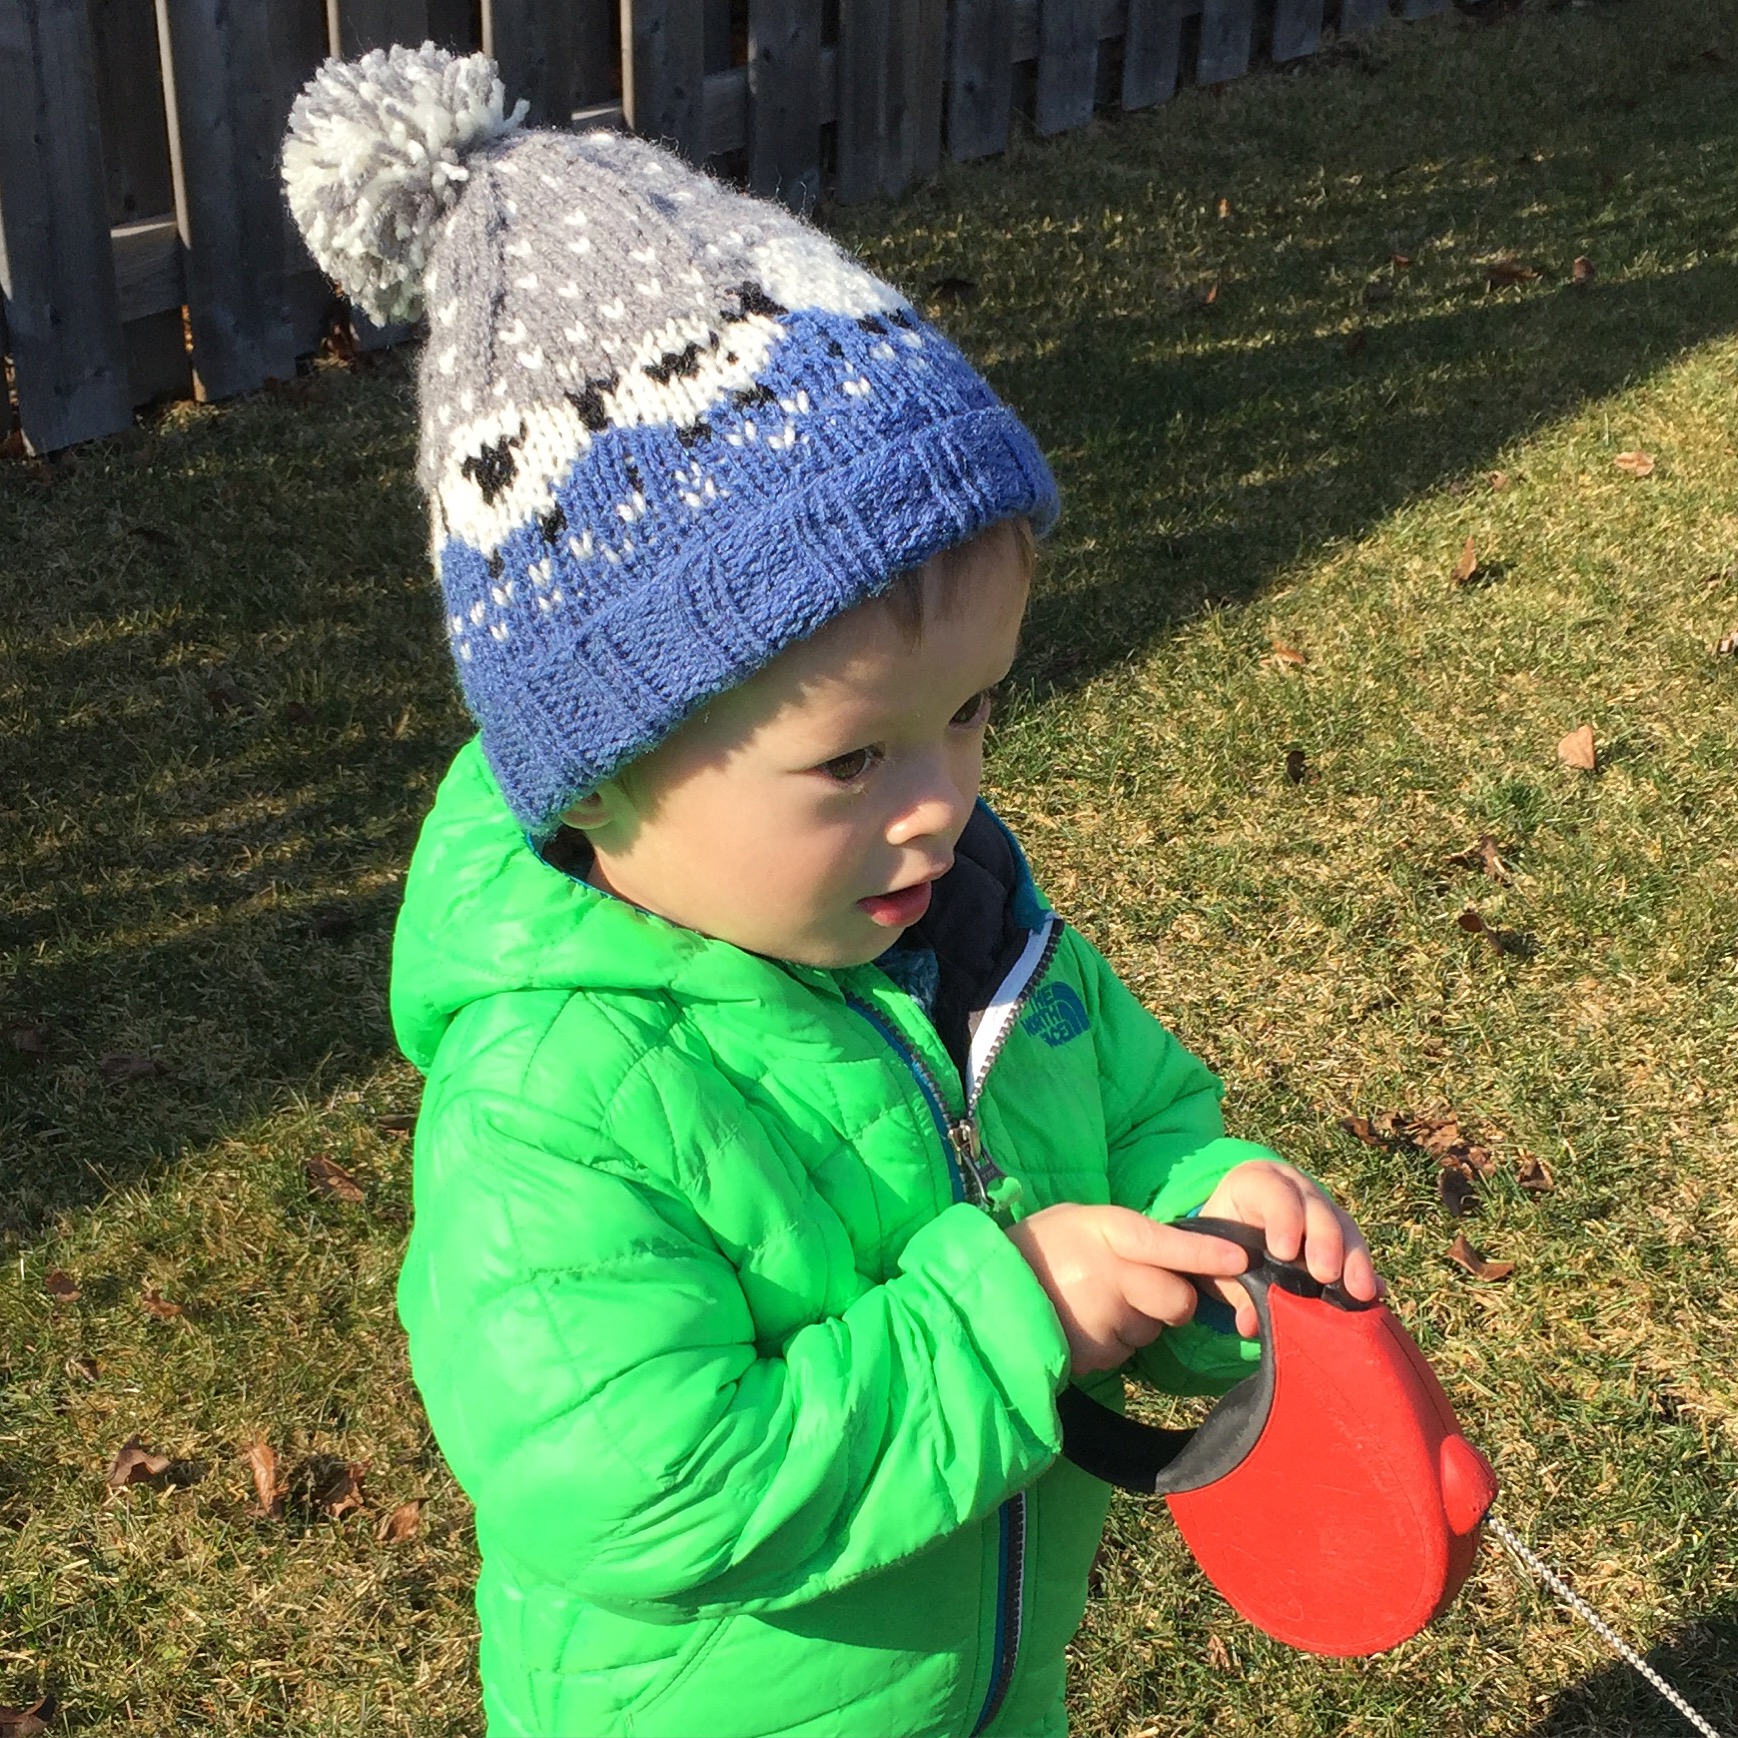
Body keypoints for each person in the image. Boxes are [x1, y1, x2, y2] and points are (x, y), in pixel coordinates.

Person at [283, 43, 1380, 1738]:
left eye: (972, 711)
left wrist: (1215, 1206)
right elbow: (650, 1486)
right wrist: (1011, 1316)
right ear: (603, 767)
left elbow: (1141, 1112)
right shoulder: (551, 1095)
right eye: (852, 762)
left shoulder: (981, 940)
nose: (943, 803)